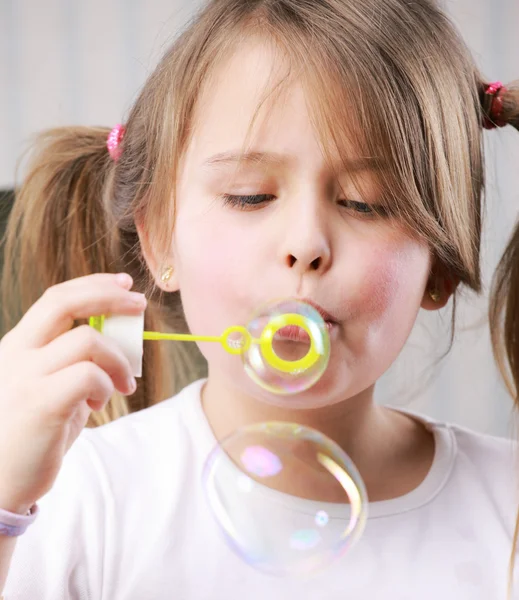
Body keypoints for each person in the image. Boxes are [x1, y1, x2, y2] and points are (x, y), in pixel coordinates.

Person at [0, 0, 518, 598]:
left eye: (365, 202)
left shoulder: (507, 509)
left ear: (441, 265)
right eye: (249, 196)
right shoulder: (71, 495)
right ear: (158, 236)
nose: (305, 245)